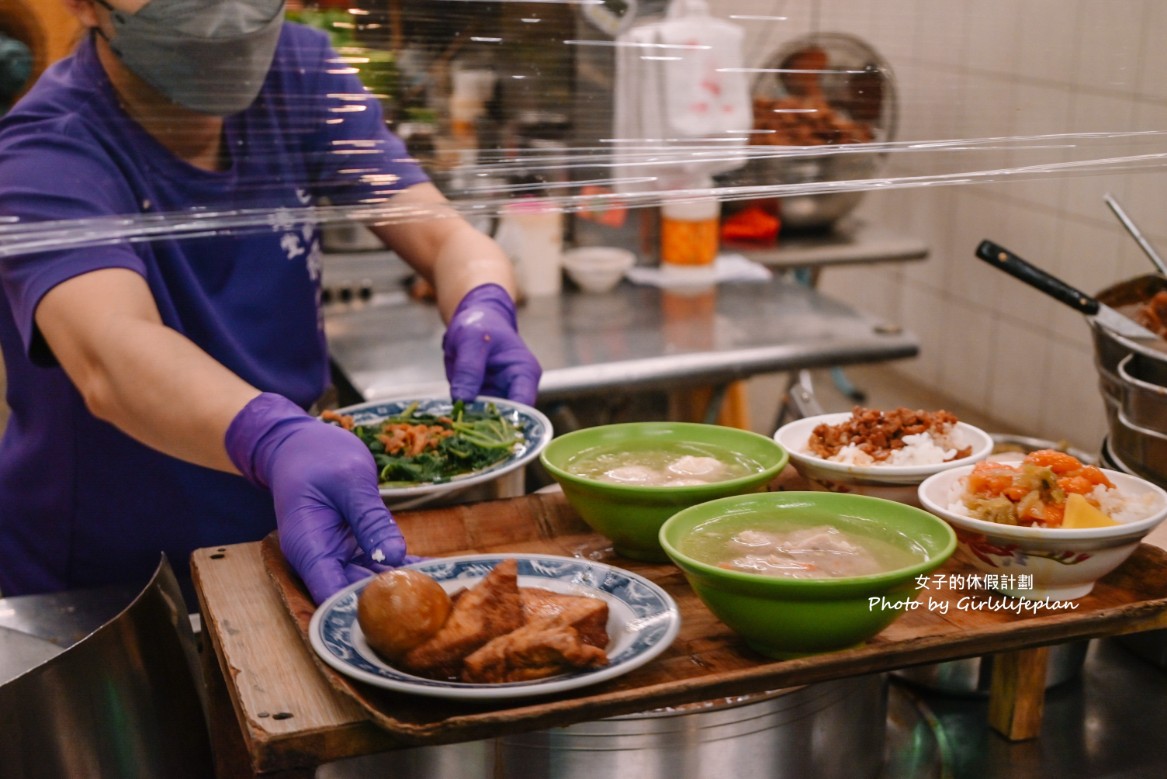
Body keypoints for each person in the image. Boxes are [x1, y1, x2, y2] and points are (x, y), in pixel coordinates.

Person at [0, 0, 542, 605]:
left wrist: (480, 300)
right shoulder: (45, 152)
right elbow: (111, 353)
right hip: (121, 586)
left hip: (289, 535)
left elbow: (443, 235)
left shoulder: (298, 74)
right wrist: (276, 438)